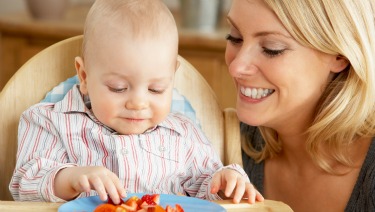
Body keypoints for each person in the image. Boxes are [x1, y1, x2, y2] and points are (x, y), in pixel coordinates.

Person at [10, 0, 264, 204]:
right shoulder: (50, 121)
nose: (138, 103)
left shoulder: (183, 134)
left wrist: (226, 181)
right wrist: (71, 178)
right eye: (118, 88)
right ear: (84, 76)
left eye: (156, 89)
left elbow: (207, 184)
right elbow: (24, 182)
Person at [225, 0, 375, 211]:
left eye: (271, 49)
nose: (236, 67)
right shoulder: (222, 147)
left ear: (341, 55)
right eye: (235, 37)